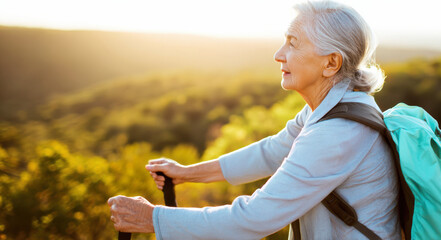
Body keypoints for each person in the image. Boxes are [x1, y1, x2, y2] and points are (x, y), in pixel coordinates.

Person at [108, 1, 401, 239]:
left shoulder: (338, 132)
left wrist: (153, 218)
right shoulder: (333, 105)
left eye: (293, 43)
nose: (278, 54)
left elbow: (254, 219)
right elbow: (272, 151)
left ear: (331, 63)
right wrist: (187, 173)